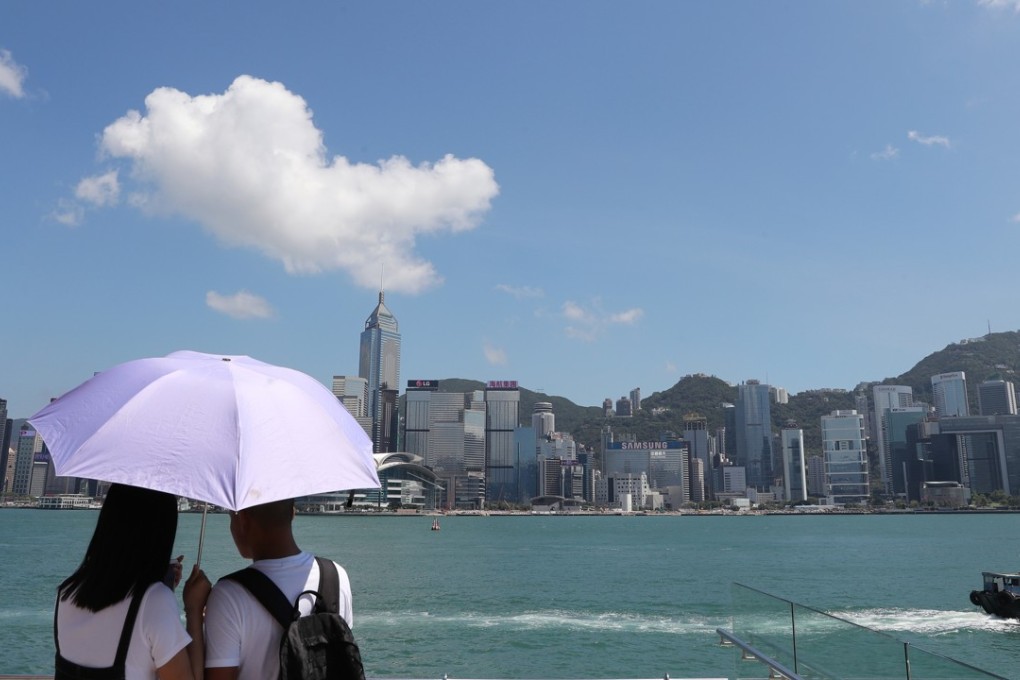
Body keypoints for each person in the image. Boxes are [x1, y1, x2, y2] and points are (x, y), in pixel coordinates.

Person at [55, 484, 211, 680]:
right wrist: (194, 609)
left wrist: (157, 590)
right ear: (160, 535)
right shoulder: (155, 602)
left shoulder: (66, 592)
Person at [204, 499, 354, 680]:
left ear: (242, 518)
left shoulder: (227, 595)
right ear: (293, 513)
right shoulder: (336, 575)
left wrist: (194, 615)